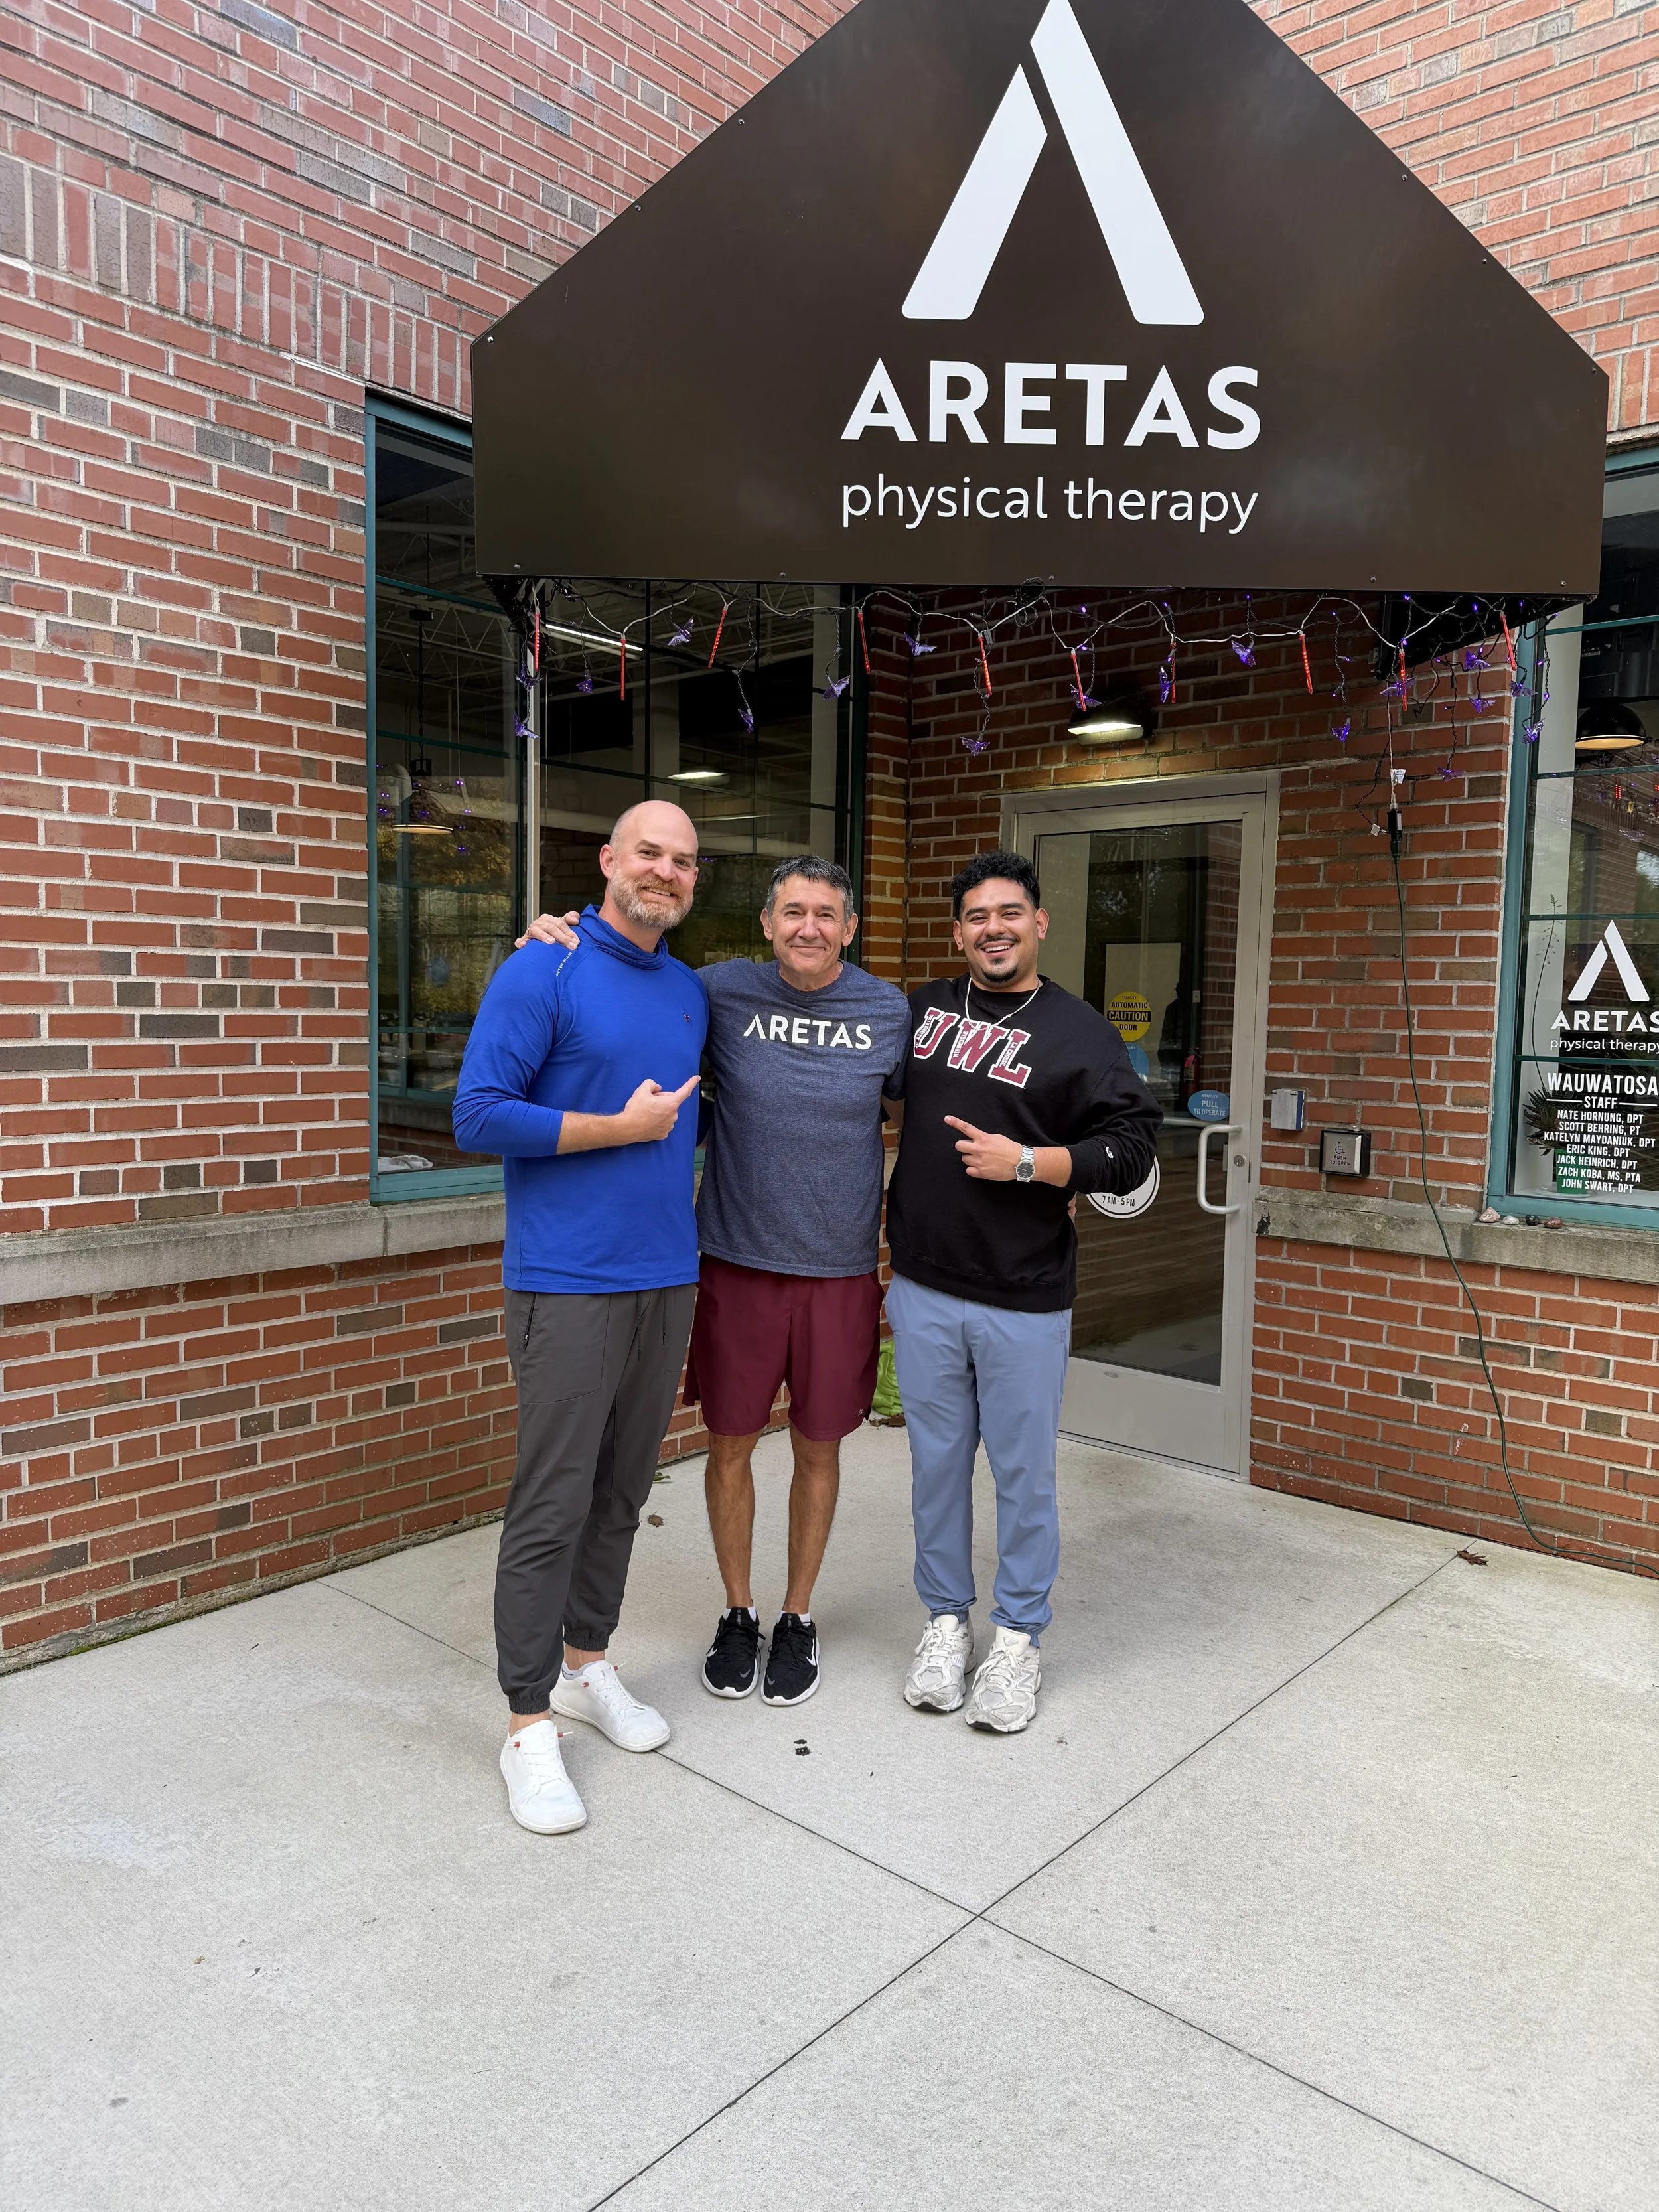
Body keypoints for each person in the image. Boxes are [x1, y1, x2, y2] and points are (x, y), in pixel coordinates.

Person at [524, 855, 909, 1708]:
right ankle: (739, 1612)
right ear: (767, 924)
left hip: (840, 1269)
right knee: (729, 1443)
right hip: (736, 1261)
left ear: (850, 930)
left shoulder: (888, 1011)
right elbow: (628, 984)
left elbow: (929, 1109)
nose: (809, 927)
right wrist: (557, 939)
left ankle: (796, 1615)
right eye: (793, 912)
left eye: (827, 915)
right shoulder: (717, 992)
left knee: (819, 1447)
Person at [452, 800, 706, 1836]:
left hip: (667, 1276)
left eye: (683, 860)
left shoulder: (689, 989)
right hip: (567, 1281)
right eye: (649, 851)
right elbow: (477, 1113)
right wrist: (619, 1128)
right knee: (552, 1502)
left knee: (621, 1492)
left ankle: (585, 1665)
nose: (665, 871)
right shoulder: (542, 969)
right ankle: (526, 1724)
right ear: (608, 860)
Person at [885, 850, 1161, 1735]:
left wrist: (1034, 1164)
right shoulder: (921, 1010)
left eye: (1009, 912)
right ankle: (944, 1622)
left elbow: (1133, 1150)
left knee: (1022, 1477)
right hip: (924, 1285)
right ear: (957, 931)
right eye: (976, 916)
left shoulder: (1081, 1033)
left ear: (1038, 922)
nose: (993, 928)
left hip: (1024, 1295)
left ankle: (1017, 1637)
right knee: (935, 1468)